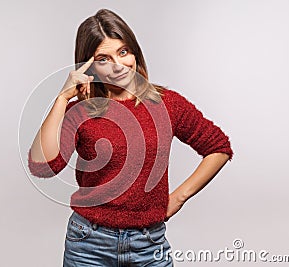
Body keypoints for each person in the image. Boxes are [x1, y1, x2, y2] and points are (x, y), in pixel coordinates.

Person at [28, 8, 233, 267]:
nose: (118, 66)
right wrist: (61, 99)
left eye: (123, 52)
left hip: (149, 244)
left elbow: (219, 147)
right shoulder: (81, 111)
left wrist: (179, 197)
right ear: (88, 67)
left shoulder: (168, 104)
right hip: (88, 244)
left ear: (134, 51)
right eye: (103, 59)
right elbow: (43, 166)